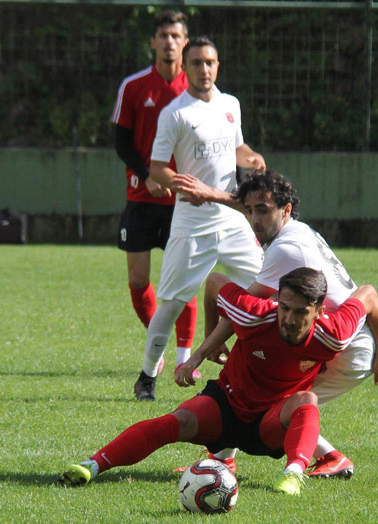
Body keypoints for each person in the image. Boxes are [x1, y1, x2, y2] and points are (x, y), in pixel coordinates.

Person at [59, 267, 378, 496]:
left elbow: (368, 294)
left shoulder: (334, 334)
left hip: (269, 424)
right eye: (284, 308)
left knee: (306, 401)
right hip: (225, 405)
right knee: (177, 420)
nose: (288, 318)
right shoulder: (253, 313)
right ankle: (93, 465)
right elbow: (214, 282)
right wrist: (207, 346)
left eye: (299, 312)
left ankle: (294, 474)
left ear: (318, 311)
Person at [193, 169, 378, 479]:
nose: (255, 220)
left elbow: (245, 318)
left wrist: (204, 348)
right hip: (348, 341)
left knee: (268, 402)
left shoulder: (286, 248)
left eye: (263, 210)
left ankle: (329, 458)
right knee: (263, 393)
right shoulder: (296, 231)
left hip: (344, 346)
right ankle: (222, 457)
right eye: (250, 211)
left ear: (285, 210)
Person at [132, 36, 266, 401]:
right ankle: (147, 374)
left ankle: (259, 365)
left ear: (218, 65)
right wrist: (179, 185)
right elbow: (157, 167)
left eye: (210, 62)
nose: (204, 69)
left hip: (232, 217)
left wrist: (252, 157)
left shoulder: (230, 105)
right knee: (173, 303)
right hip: (192, 221)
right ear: (185, 68)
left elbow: (236, 148)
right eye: (196, 63)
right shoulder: (175, 113)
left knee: (265, 288)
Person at [111, 10, 198, 376]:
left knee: (185, 283)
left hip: (181, 203)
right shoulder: (134, 87)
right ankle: (156, 339)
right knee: (137, 280)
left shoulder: (195, 92)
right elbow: (120, 141)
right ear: (152, 42)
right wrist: (146, 174)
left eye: (175, 36)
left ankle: (183, 359)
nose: (168, 43)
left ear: (185, 43)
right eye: (162, 35)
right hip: (141, 198)